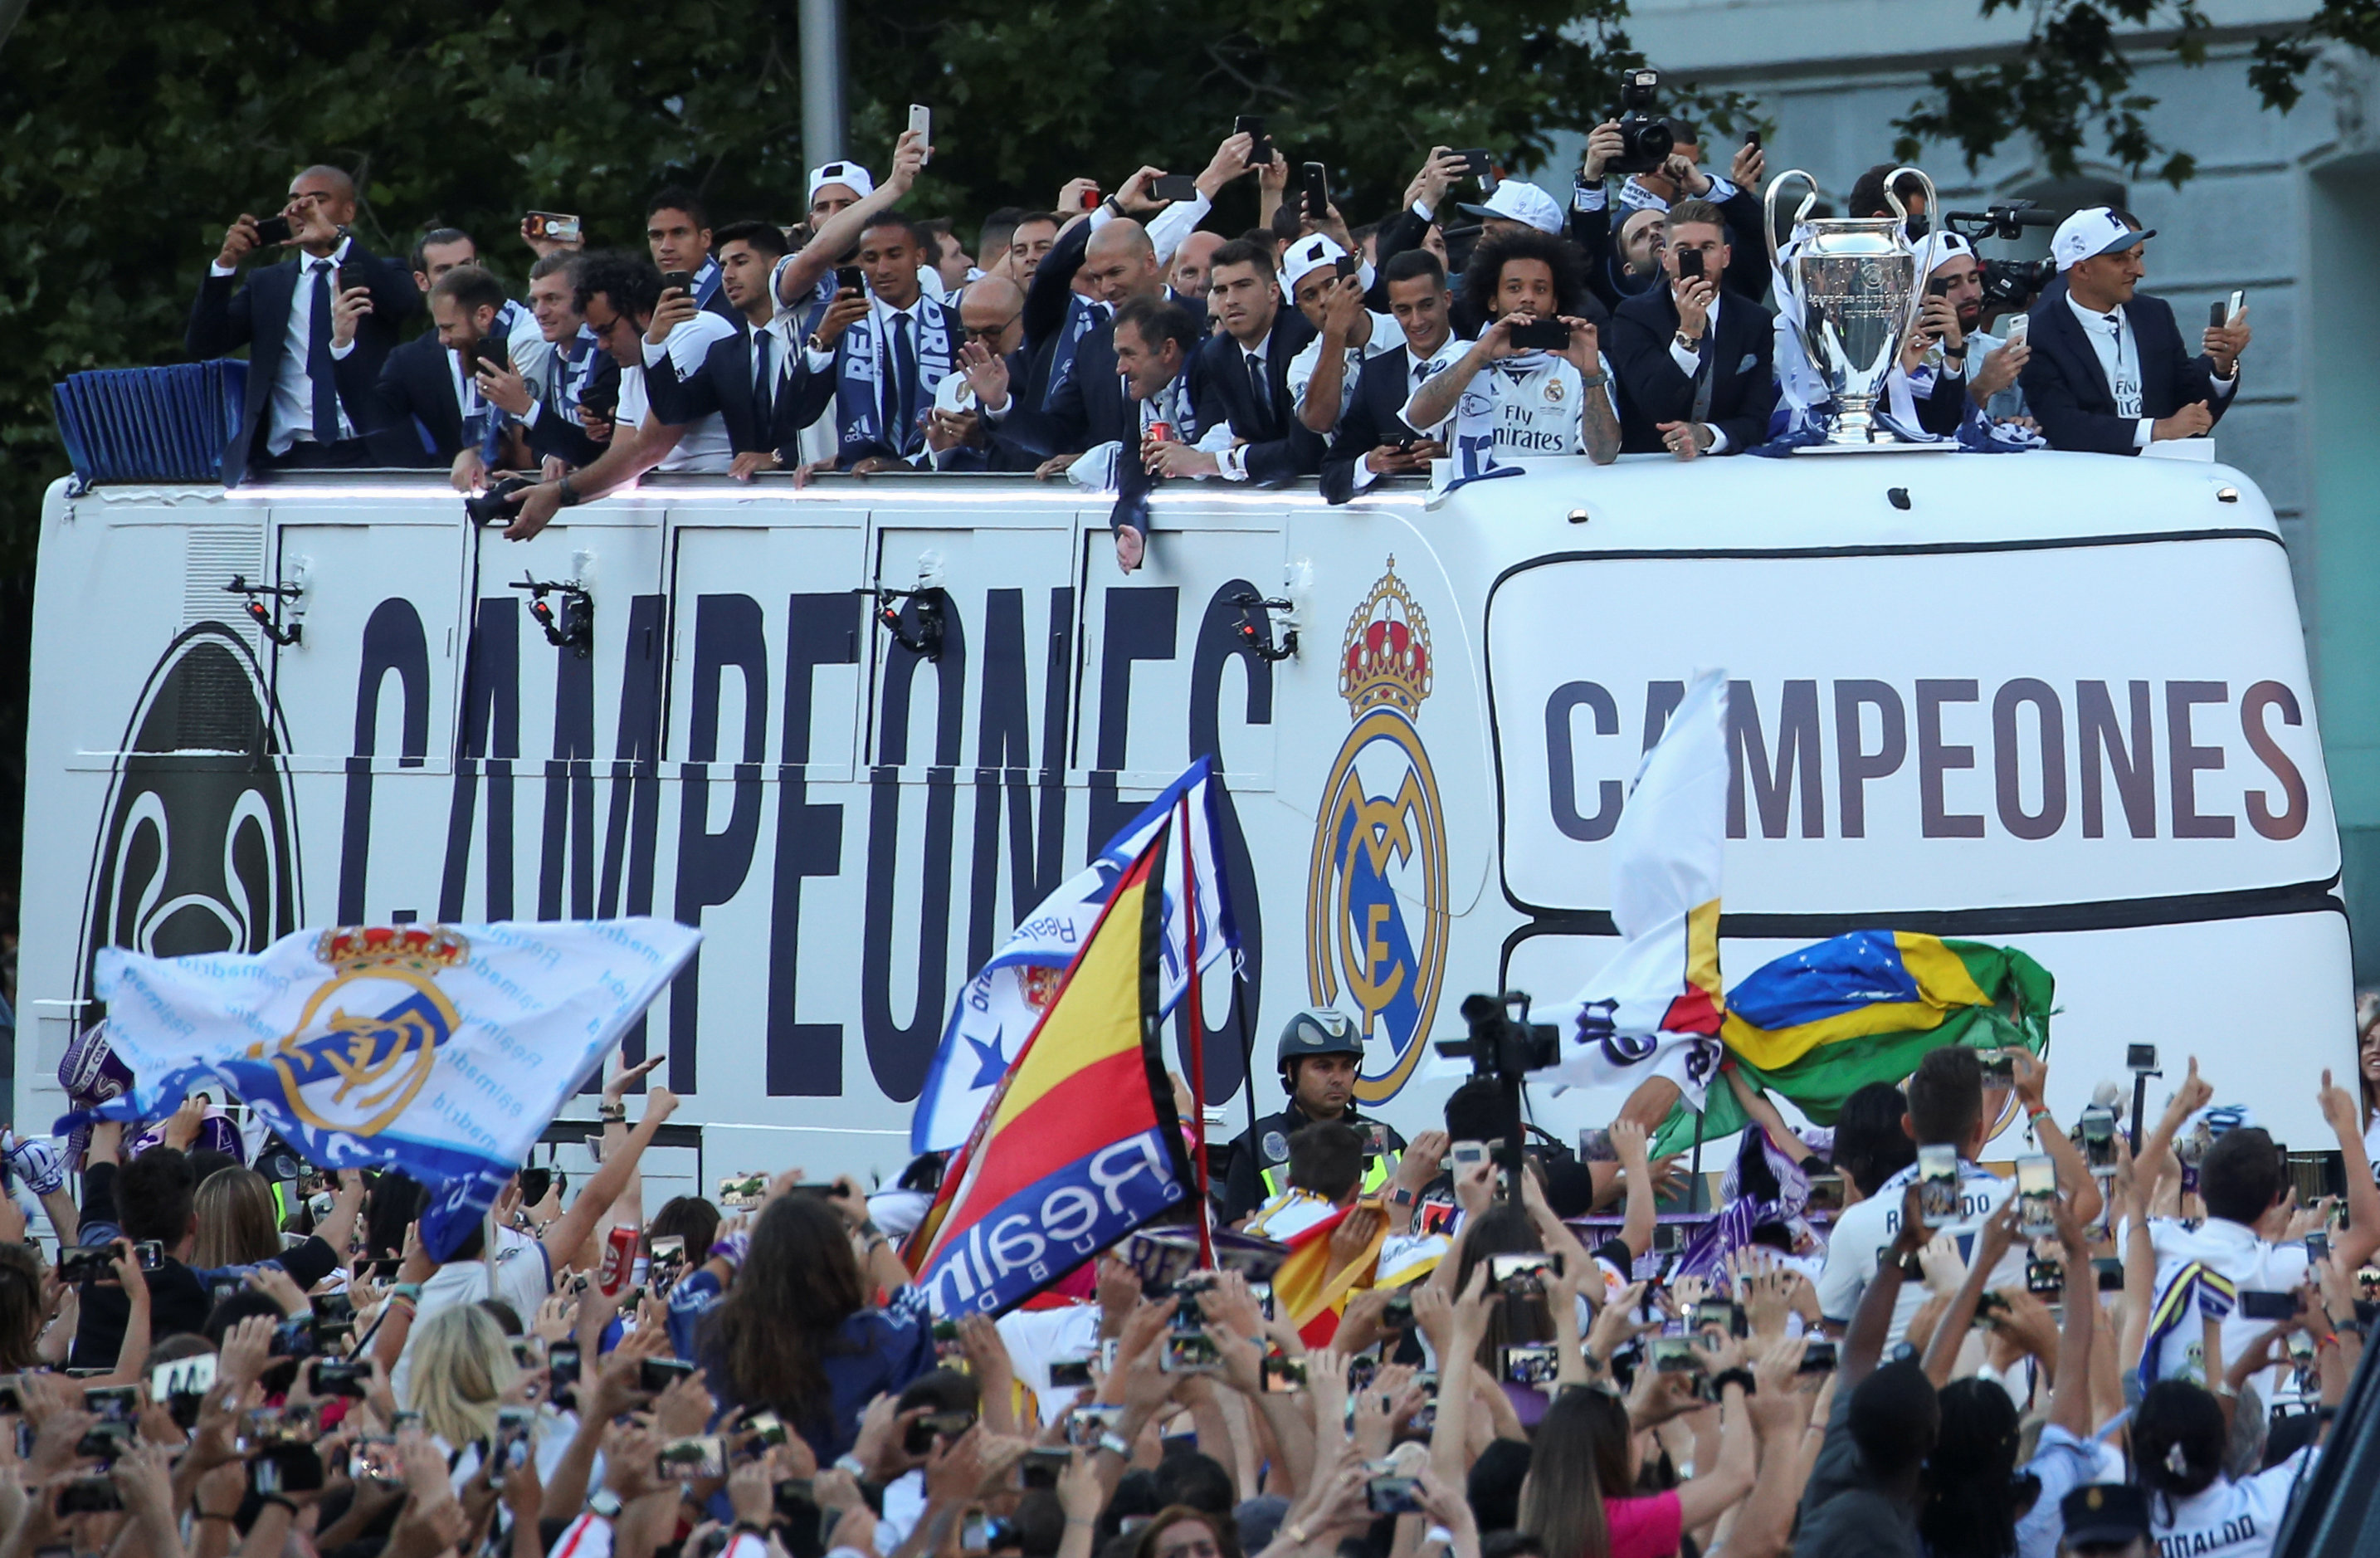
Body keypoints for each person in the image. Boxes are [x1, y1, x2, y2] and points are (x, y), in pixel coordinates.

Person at [1816, 1047, 2100, 1348]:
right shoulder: (2012, 1203)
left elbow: (1832, 1329)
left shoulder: (1857, 1221)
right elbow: (2086, 1196)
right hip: (1997, 1389)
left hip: (1900, 1389)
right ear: (1980, 1129)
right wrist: (2035, 1106)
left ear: (1908, 1127)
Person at [187, 163, 422, 483]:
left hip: (371, 450)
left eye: (318, 200)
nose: (302, 209)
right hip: (288, 455)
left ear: (348, 212)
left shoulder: (379, 271)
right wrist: (224, 266)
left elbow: (404, 303)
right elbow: (205, 343)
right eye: (294, 200)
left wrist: (336, 242)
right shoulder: (267, 284)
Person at [690, 1186, 932, 1461]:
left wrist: (734, 1247)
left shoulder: (716, 1333)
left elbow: (685, 1300)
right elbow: (915, 1306)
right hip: (850, 1497)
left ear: (755, 1265)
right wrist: (869, 1230)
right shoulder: (877, 1339)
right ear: (839, 1262)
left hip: (740, 1496)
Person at [2018, 206, 2250, 453]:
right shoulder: (2039, 332)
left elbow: (2186, 400)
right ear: (2082, 269)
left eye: (2136, 257)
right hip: (2087, 483)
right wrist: (2158, 430)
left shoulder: (2153, 314)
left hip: (2160, 477)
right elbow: (2064, 426)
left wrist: (2222, 366)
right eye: (2119, 259)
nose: (2139, 271)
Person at [1397, 227, 1621, 477]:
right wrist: (1479, 356)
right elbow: (1417, 418)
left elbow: (1604, 453)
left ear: (1555, 302)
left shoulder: (1585, 362)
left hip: (1557, 501)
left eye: (1541, 289)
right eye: (1514, 288)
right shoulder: (1461, 355)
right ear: (1493, 300)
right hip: (1475, 505)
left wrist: (1591, 375)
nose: (1528, 298)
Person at [782, 214, 960, 470]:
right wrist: (822, 341)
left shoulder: (951, 323)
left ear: (919, 257)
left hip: (936, 476)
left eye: (894, 255)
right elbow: (796, 415)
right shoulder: (840, 324)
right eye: (871, 258)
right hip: (863, 477)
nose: (883, 269)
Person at [1607, 197, 1778, 457]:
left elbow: (1756, 420)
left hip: (1728, 469)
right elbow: (1654, 406)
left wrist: (1707, 435)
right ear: (1666, 259)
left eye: (1707, 247)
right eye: (1684, 249)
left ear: (1726, 255)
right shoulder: (1632, 317)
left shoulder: (1754, 320)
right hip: (1648, 467)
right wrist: (1688, 336)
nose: (1697, 258)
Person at [645, 219, 806, 480]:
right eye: (723, 266)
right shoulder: (725, 353)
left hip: (821, 492)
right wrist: (655, 342)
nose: (728, 276)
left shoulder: (812, 336)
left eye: (741, 263)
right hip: (749, 499)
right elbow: (673, 411)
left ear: (777, 265)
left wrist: (780, 456)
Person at [1220, 1009, 1407, 1224]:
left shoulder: (1387, 1140)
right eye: (1323, 1067)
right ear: (1291, 1071)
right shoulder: (1256, 1146)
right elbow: (1237, 1233)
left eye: (1346, 1066)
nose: (1337, 1078)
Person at [336, 263, 514, 486]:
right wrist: (343, 346)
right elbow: (372, 418)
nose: (457, 277)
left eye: (465, 266)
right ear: (423, 282)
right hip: (458, 495)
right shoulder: (411, 360)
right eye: (444, 269)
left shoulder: (518, 338)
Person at [1320, 249, 1458, 503]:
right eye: (1404, 310)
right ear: (1392, 310)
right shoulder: (1376, 375)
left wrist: (1455, 459)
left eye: (1426, 306)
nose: (1417, 321)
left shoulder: (1483, 362)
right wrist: (1370, 464)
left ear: (1447, 299)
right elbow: (1331, 478)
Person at [486, 250, 619, 471]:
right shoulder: (555, 355)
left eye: (552, 299)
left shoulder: (610, 355)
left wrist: (525, 407)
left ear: (584, 299)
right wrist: (551, 456)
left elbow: (597, 452)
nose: (540, 312)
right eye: (535, 301)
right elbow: (550, 439)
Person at [1283, 234, 1400, 438]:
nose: (1325, 300)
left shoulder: (1402, 330)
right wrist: (1335, 332)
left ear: (1353, 281)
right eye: (1310, 296)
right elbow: (1319, 421)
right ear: (1301, 308)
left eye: (1330, 284)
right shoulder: (1303, 365)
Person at [646, 184, 737, 321]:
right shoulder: (646, 299)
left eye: (678, 233)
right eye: (657, 236)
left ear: (705, 238)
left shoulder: (733, 290)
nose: (666, 247)